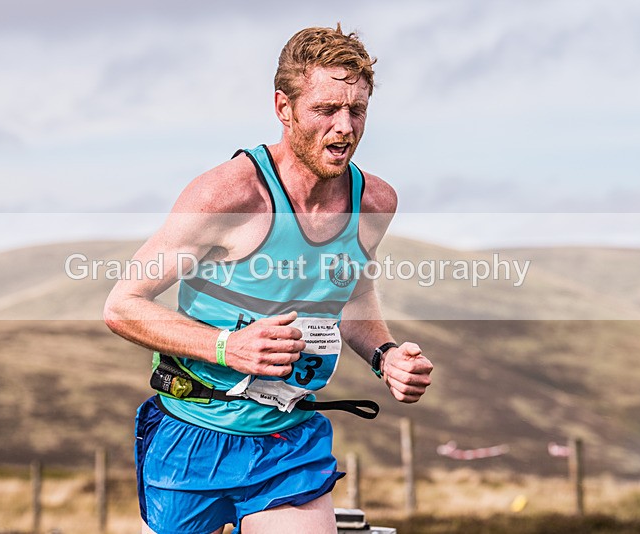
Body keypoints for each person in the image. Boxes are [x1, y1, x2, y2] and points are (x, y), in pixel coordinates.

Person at [104, 24, 434, 534]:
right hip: (192, 435)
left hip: (289, 440)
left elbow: (352, 297)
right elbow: (124, 305)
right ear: (284, 108)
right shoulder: (227, 195)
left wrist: (385, 357)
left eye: (357, 110)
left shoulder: (375, 203)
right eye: (326, 110)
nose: (344, 127)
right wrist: (226, 347)